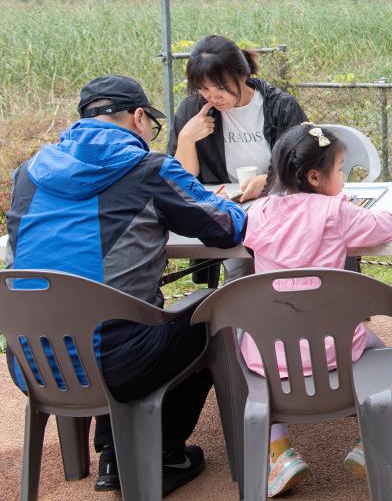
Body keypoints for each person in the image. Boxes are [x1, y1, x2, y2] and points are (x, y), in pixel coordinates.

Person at [5, 75, 246, 495]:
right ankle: (163, 454)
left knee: (102, 316)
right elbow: (225, 228)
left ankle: (107, 453)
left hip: (33, 363)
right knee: (212, 312)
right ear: (138, 118)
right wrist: (236, 201)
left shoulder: (27, 174)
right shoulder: (147, 169)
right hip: (117, 364)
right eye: (151, 124)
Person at [240, 123, 392, 497]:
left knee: (242, 338)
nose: (343, 180)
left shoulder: (258, 213)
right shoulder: (337, 212)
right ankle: (369, 445)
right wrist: (346, 206)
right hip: (336, 350)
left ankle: (280, 452)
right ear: (316, 177)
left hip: (269, 357)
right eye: (340, 171)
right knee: (377, 346)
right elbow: (387, 226)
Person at [169, 34, 306, 282]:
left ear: (242, 75)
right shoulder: (193, 110)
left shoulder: (280, 107)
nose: (213, 97)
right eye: (203, 89)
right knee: (241, 274)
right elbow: (180, 182)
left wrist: (271, 180)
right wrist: (187, 140)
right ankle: (242, 318)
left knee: (283, 265)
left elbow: (304, 164)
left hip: (280, 210)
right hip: (228, 212)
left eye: (220, 87)